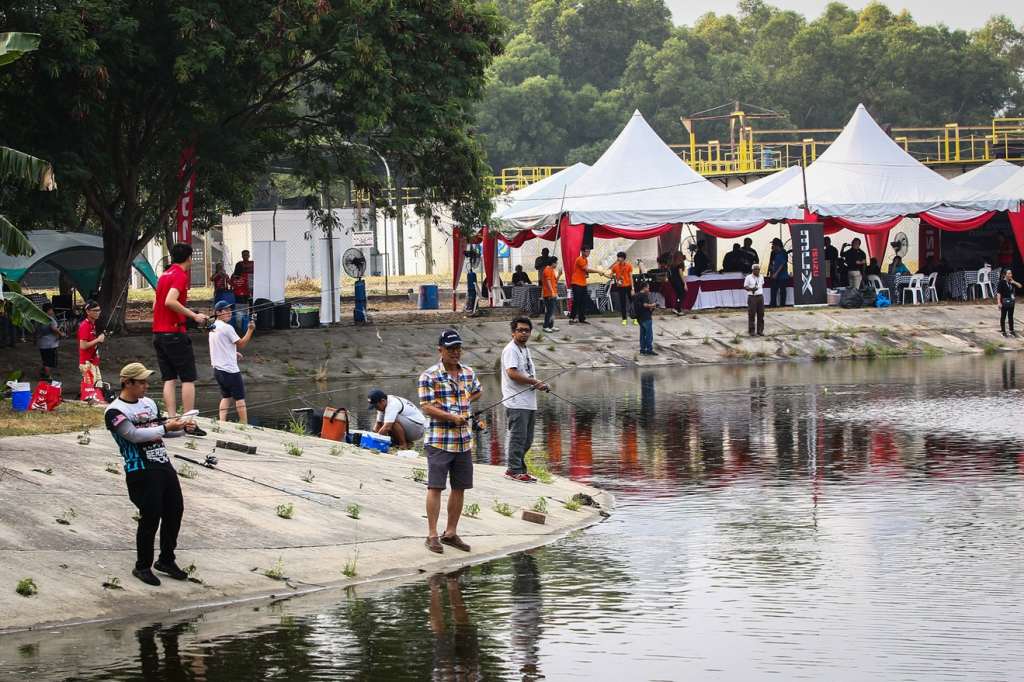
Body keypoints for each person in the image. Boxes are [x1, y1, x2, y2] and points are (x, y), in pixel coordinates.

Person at [104, 362, 191, 586]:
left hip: (163, 465)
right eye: (141, 382)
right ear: (127, 383)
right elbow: (133, 435)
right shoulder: (115, 411)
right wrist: (165, 428)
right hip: (140, 469)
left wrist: (182, 428)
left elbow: (162, 434)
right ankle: (142, 566)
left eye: (146, 381)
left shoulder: (149, 404)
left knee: (175, 511)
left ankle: (166, 560)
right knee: (151, 516)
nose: (145, 385)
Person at [417, 329, 482, 554]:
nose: (455, 352)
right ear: (440, 350)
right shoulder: (429, 376)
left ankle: (451, 533)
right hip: (439, 440)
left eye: (458, 348)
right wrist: (451, 417)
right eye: (450, 348)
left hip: (464, 440)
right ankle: (432, 535)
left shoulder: (468, 373)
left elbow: (477, 391)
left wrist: (465, 401)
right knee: (435, 486)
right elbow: (426, 407)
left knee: (460, 488)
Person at [153, 243, 208, 431]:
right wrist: (193, 316)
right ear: (189, 258)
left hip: (158, 334)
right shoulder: (179, 275)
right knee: (187, 378)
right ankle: (189, 423)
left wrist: (186, 315)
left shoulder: (164, 275)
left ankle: (172, 420)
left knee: (168, 378)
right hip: (174, 334)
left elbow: (156, 305)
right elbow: (170, 301)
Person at [500, 316, 549, 482]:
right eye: (520, 330)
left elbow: (526, 373)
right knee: (518, 438)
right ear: (513, 332)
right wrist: (535, 382)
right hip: (516, 402)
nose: (523, 333)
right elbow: (512, 373)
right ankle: (513, 470)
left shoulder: (524, 349)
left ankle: (520, 469)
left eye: (526, 330)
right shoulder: (511, 350)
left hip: (528, 402)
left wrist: (538, 384)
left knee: (527, 440)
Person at [209, 300, 255, 423]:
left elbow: (219, 345)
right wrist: (250, 330)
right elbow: (241, 344)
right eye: (226, 310)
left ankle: (222, 423)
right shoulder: (227, 328)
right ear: (218, 312)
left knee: (226, 397)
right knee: (240, 398)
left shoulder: (213, 327)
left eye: (230, 310)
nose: (230, 312)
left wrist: (232, 352)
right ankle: (244, 424)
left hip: (218, 370)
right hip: (230, 370)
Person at [569, 247, 602, 324]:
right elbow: (586, 269)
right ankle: (572, 318)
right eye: (587, 251)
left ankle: (582, 318)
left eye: (589, 252)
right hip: (576, 283)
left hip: (582, 283)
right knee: (576, 301)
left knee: (583, 301)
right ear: (582, 252)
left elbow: (585, 271)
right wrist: (598, 271)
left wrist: (586, 275)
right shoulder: (579, 259)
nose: (588, 253)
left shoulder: (585, 260)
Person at [78, 299, 106, 389]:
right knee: (90, 392)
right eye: (95, 311)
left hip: (93, 363)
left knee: (98, 389)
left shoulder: (92, 325)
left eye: (99, 310)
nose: (98, 313)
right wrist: (98, 339)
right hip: (87, 363)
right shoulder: (84, 326)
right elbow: (83, 345)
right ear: (88, 312)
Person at [36, 302, 64, 380]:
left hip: (42, 343)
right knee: (50, 362)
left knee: (45, 360)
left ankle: (43, 373)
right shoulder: (50, 319)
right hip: (50, 344)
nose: (53, 311)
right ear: (49, 310)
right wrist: (61, 334)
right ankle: (47, 376)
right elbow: (54, 329)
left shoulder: (39, 319)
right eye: (52, 310)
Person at [609, 251, 635, 326]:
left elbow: (631, 277)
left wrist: (633, 288)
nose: (618, 259)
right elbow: (611, 274)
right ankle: (624, 319)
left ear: (623, 258)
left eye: (619, 257)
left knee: (632, 302)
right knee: (622, 303)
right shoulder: (615, 266)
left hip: (628, 286)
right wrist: (613, 276)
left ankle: (635, 318)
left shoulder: (629, 266)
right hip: (620, 287)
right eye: (618, 257)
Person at [634, 280, 656, 355]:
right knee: (649, 335)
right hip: (646, 317)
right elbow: (645, 305)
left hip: (639, 318)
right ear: (644, 288)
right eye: (648, 288)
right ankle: (649, 349)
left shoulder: (636, 295)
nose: (649, 289)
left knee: (642, 335)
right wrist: (652, 305)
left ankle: (642, 350)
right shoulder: (644, 295)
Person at [997, 268, 1022, 337]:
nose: (1010, 275)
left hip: (1011, 302)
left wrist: (1014, 282)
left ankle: (1011, 330)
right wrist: (999, 302)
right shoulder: (1001, 282)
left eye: (1011, 273)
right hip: (1004, 301)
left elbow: (1020, 286)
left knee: (1010, 316)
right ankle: (1003, 331)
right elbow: (999, 293)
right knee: (1003, 316)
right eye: (1009, 273)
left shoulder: (1011, 282)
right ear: (1005, 275)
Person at [744, 263, 766, 336]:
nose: (757, 271)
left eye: (758, 269)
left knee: (761, 314)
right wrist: (751, 289)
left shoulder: (761, 277)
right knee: (752, 314)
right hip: (752, 297)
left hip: (760, 296)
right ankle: (751, 331)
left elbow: (762, 284)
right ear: (752, 270)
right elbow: (745, 287)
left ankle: (760, 330)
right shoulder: (748, 277)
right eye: (755, 269)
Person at [768, 241, 791, 307]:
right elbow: (774, 263)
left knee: (782, 290)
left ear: (777, 245)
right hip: (775, 275)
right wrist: (772, 270)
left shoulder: (783, 252)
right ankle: (773, 304)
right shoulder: (775, 253)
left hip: (782, 276)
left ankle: (782, 304)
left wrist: (776, 274)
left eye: (773, 245)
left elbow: (782, 264)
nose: (772, 246)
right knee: (773, 290)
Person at [541, 256, 560, 333]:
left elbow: (555, 282)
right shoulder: (547, 270)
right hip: (549, 294)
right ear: (553, 263)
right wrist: (552, 292)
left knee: (552, 311)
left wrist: (559, 274)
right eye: (556, 263)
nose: (557, 264)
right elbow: (548, 282)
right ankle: (546, 326)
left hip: (553, 293)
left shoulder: (551, 270)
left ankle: (551, 326)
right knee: (549, 311)